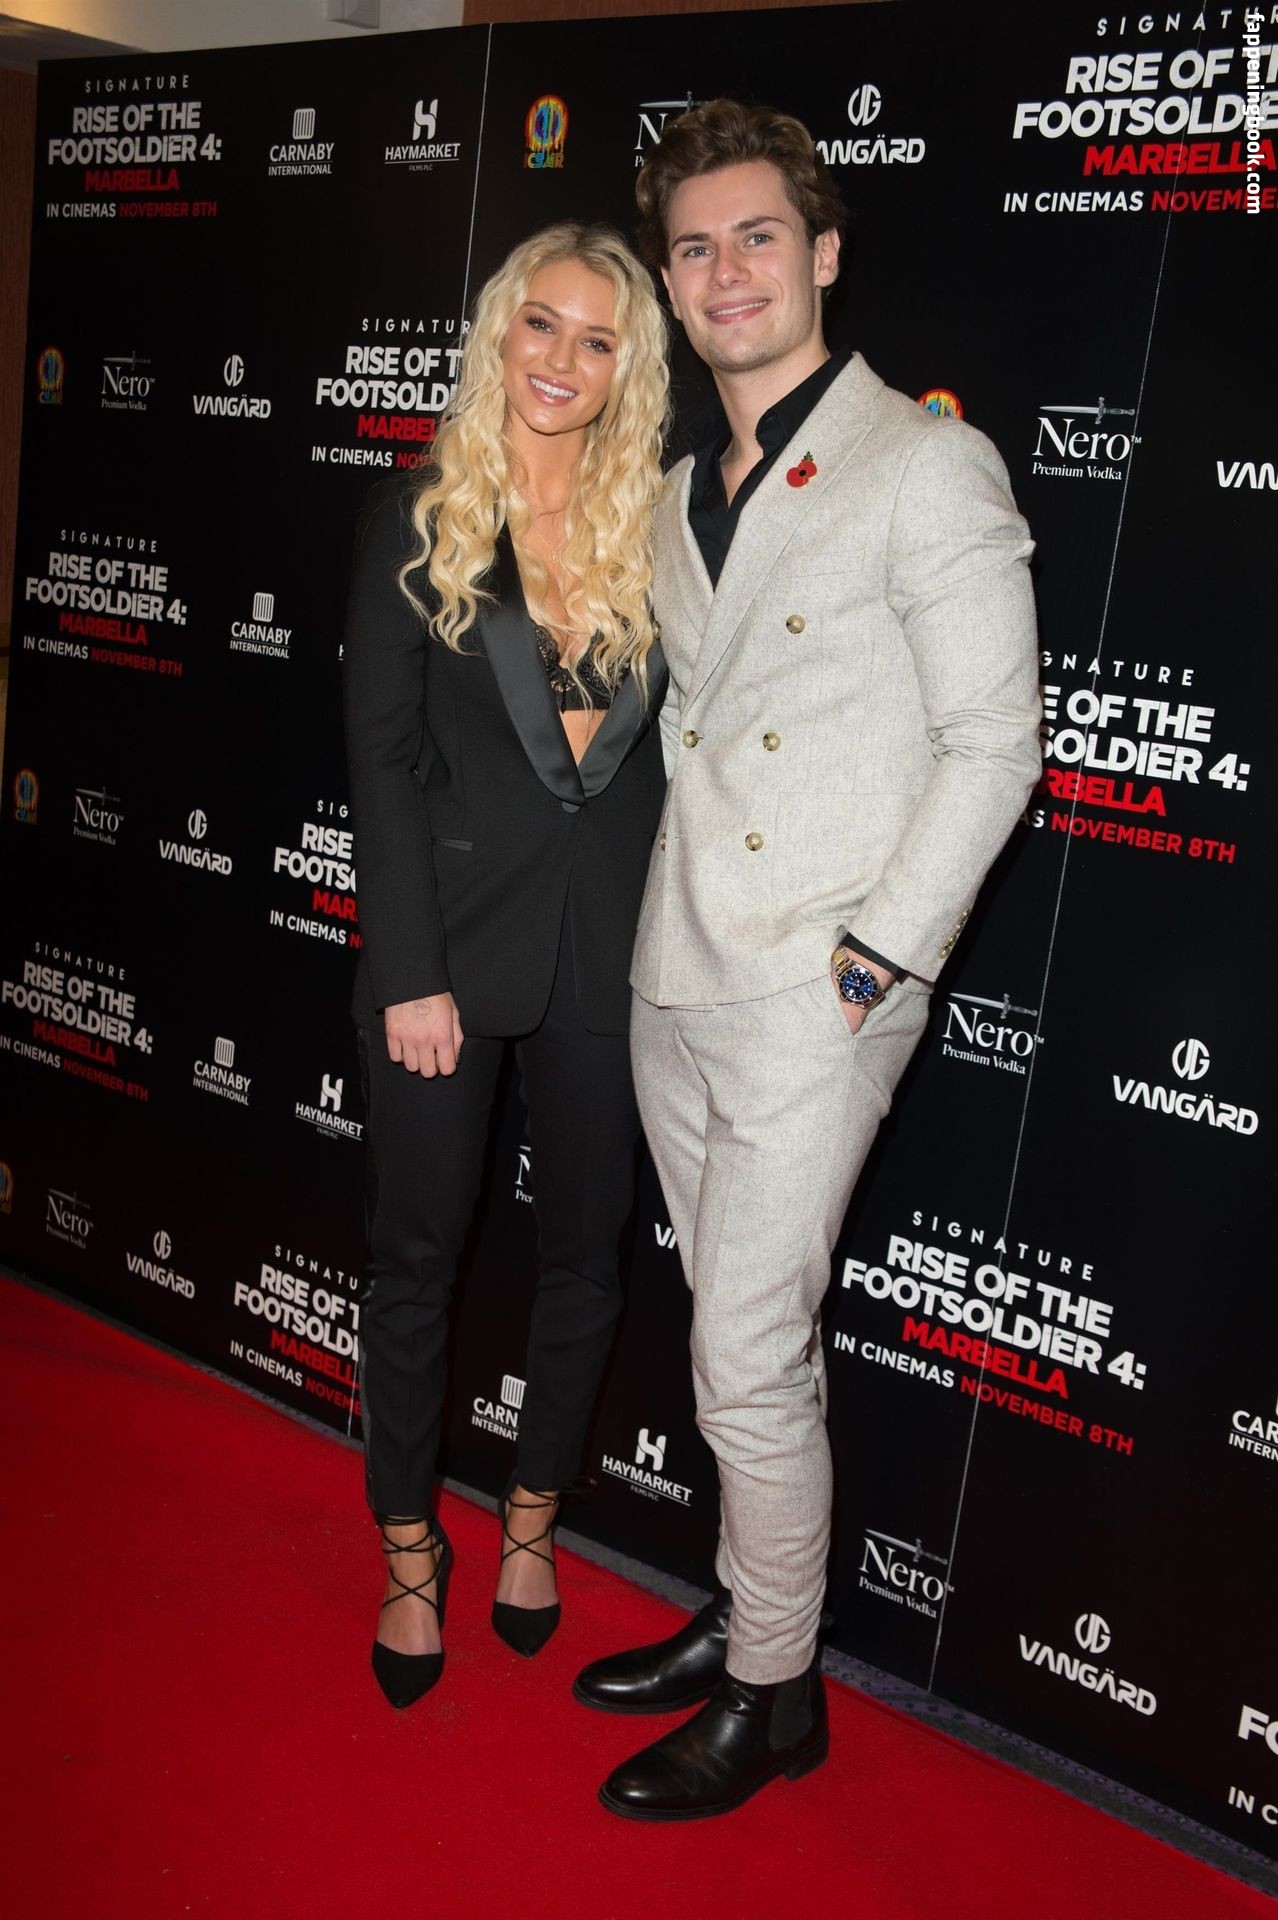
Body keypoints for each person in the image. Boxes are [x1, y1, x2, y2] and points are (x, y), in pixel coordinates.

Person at [573, 101, 1041, 1819]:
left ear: (824, 251)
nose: (725, 273)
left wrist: (873, 964)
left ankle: (775, 1697)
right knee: (741, 1338)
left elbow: (996, 745)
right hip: (676, 971)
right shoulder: (676, 489)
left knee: (743, 1352)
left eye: (756, 235)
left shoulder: (924, 464)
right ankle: (748, 1611)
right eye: (693, 248)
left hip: (811, 988)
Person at [343, 222, 669, 1708]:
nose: (561, 360)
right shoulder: (420, 515)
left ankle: (530, 1520)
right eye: (542, 324)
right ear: (499, 331)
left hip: (611, 952)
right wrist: (408, 971)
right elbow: (381, 761)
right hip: (448, 956)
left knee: (585, 1256)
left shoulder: (656, 524)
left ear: (627, 367)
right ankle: (412, 1550)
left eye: (597, 339)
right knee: (416, 1258)